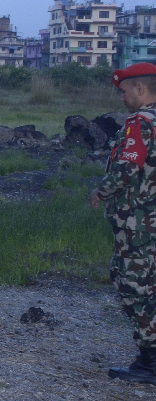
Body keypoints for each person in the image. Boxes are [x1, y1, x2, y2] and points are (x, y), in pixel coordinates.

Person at [90, 63, 156, 384]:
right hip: (147, 222)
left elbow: (128, 167)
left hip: (138, 225)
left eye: (124, 91)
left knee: (134, 287)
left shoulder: (140, 124)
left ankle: (150, 362)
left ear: (140, 90)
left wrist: (100, 191)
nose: (122, 98)